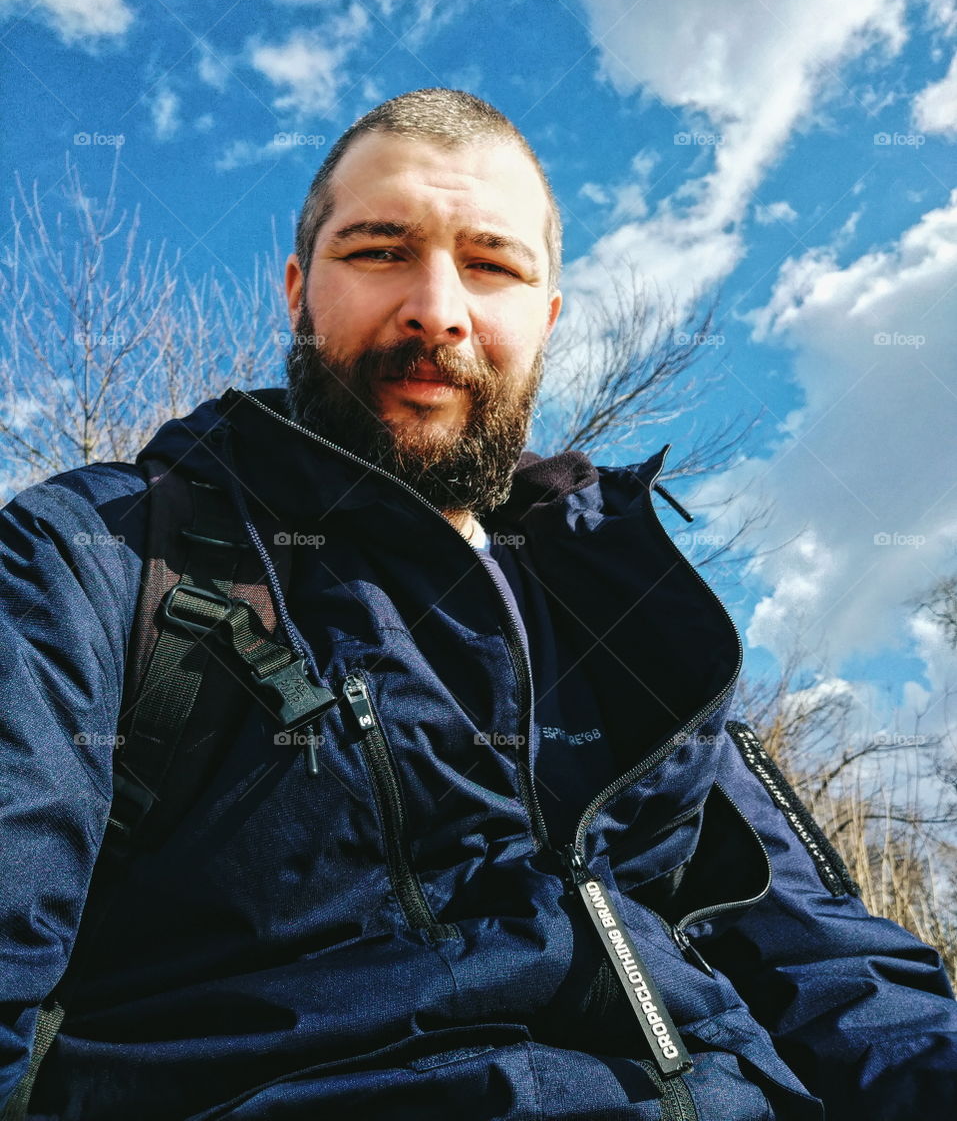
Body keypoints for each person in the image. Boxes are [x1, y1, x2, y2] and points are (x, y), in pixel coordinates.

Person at [0, 88, 954, 1121]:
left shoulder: (626, 617)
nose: (437, 309)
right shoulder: (98, 557)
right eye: (379, 250)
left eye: (492, 264)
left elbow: (836, 976)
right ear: (297, 290)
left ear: (545, 318)